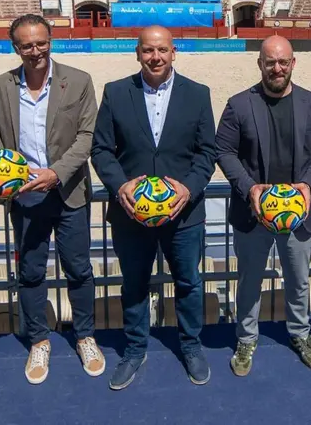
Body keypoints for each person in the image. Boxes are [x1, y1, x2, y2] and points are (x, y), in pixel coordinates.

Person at [90, 25, 217, 390]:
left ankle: (191, 345)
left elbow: (207, 152)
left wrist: (188, 189)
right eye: (148, 51)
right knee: (134, 284)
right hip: (131, 213)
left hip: (183, 214)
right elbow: (101, 149)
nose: (155, 57)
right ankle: (134, 349)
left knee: (189, 283)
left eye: (162, 50)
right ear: (137, 53)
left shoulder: (197, 93)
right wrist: (121, 185)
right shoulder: (116, 92)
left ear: (174, 52)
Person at [0, 14, 104, 385]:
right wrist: (4, 170)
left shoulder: (79, 81)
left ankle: (85, 336)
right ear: (15, 47)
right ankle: (39, 339)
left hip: (68, 192)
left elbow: (87, 135)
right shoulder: (0, 86)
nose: (35, 51)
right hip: (24, 196)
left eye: (41, 43)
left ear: (50, 40)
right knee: (31, 273)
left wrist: (56, 172)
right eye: (26, 45)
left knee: (79, 269)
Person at [215, 35, 311, 377]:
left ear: (293, 63)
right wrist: (250, 188)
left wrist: (309, 187)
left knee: (297, 280)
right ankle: (246, 339)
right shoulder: (239, 105)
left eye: (283, 62)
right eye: (270, 62)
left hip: (298, 213)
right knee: (249, 280)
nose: (277, 68)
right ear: (260, 65)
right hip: (253, 213)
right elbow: (223, 151)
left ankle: (300, 334)